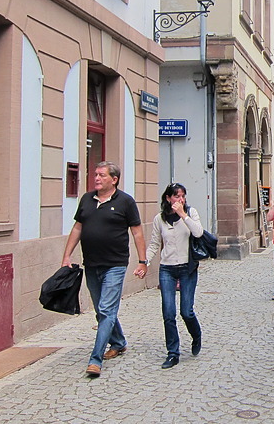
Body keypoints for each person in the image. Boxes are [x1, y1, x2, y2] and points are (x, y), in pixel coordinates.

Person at [60, 161, 147, 378]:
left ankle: (95, 359)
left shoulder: (126, 201)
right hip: (91, 264)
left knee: (107, 310)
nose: (96, 178)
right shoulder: (87, 199)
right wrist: (66, 255)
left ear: (114, 179)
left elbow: (137, 232)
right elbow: (77, 227)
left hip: (115, 265)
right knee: (101, 310)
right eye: (95, 175)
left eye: (101, 175)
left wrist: (142, 261)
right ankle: (118, 341)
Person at [146, 183, 204, 369]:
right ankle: (173, 353)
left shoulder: (191, 213)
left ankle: (196, 335)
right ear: (168, 198)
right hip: (167, 269)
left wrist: (183, 214)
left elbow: (198, 232)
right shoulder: (159, 219)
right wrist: (144, 262)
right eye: (177, 196)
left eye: (183, 196)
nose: (181, 200)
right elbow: (155, 243)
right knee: (168, 313)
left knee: (186, 311)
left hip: (187, 268)